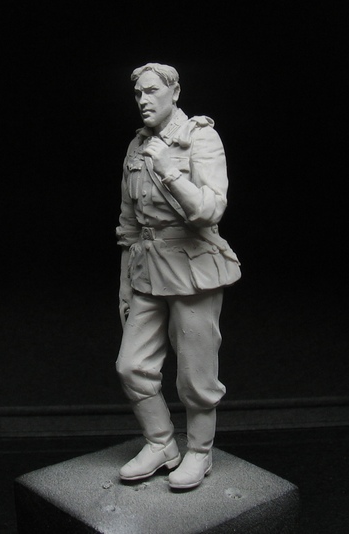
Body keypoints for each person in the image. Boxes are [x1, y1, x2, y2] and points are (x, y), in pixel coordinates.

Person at [115, 63, 241, 490]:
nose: (143, 100)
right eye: (138, 93)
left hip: (193, 268)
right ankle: (161, 443)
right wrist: (124, 282)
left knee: (195, 373)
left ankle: (200, 452)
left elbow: (209, 210)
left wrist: (170, 171)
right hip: (146, 269)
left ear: (175, 92)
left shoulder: (199, 137)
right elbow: (129, 222)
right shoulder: (137, 145)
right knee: (131, 366)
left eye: (152, 91)